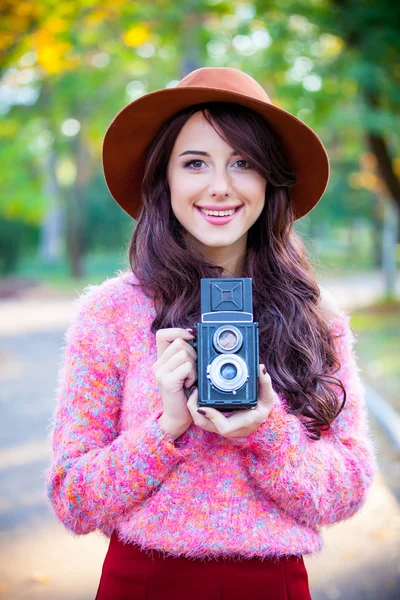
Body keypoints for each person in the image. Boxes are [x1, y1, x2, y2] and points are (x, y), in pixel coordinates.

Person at [44, 67, 377, 600]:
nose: (219, 186)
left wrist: (265, 436)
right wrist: (165, 430)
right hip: (144, 583)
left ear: (270, 180)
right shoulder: (111, 313)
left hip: (274, 583)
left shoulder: (313, 313)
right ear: (164, 178)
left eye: (243, 163)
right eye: (195, 162)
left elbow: (349, 489)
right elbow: (72, 500)